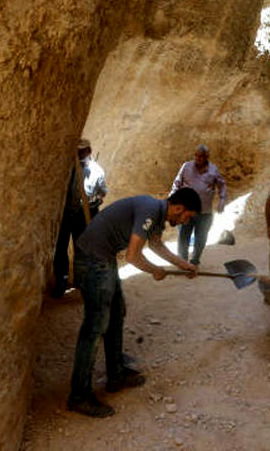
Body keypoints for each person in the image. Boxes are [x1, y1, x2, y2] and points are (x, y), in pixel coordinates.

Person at [68, 188, 201, 418]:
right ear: (178, 208)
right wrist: (154, 271)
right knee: (95, 327)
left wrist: (183, 264)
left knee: (117, 312)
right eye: (186, 217)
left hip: (103, 257)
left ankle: (115, 374)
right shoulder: (150, 209)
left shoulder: (157, 213)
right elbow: (132, 256)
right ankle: (79, 396)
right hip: (92, 259)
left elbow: (156, 245)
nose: (183, 222)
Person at [51, 138, 108, 298]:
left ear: (89, 151)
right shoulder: (68, 168)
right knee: (61, 248)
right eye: (77, 151)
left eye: (82, 151)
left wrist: (93, 201)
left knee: (81, 249)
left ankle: (81, 281)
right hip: (67, 212)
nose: (79, 154)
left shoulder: (97, 171)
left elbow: (103, 192)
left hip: (85, 214)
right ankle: (61, 281)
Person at [170, 144, 227, 266]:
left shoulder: (213, 170)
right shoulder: (186, 167)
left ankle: (195, 260)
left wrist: (222, 199)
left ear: (207, 157)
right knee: (183, 237)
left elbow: (222, 185)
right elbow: (177, 183)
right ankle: (182, 261)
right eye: (196, 155)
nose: (198, 158)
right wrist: (173, 199)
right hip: (186, 210)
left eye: (201, 156)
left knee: (201, 238)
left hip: (204, 211)